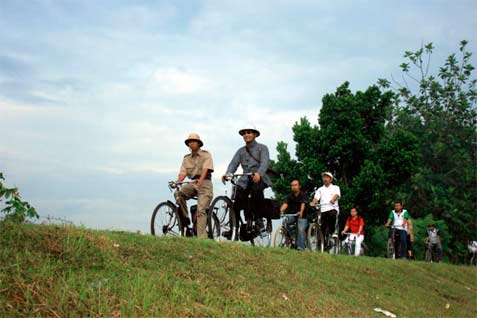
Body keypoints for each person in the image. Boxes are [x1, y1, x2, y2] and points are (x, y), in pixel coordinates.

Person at [222, 125, 272, 232]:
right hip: (245, 179)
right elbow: (233, 164)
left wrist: (259, 174)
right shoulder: (240, 151)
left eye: (249, 132)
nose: (246, 135)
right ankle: (233, 229)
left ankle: (259, 219)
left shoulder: (262, 148)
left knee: (256, 190)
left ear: (254, 135)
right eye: (244, 133)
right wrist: (228, 174)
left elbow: (265, 163)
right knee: (236, 199)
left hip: (260, 177)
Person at [175, 133, 214, 238]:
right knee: (178, 193)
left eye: (193, 141)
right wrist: (177, 182)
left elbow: (206, 169)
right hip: (193, 183)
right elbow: (183, 173)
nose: (191, 144)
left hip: (205, 183)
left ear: (199, 143)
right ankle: (186, 217)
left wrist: (201, 180)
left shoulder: (206, 155)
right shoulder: (186, 158)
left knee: (201, 210)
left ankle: (201, 237)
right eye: (189, 142)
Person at [280, 179, 308, 250]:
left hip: (302, 216)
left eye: (295, 185)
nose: (294, 187)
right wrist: (279, 211)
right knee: (285, 223)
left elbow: (303, 204)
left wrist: (301, 212)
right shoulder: (290, 196)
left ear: (299, 186)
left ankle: (300, 248)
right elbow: (285, 204)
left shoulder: (303, 195)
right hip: (293, 215)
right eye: (292, 185)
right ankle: (289, 239)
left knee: (301, 229)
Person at [311, 172, 341, 238]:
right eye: (324, 177)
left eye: (327, 177)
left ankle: (332, 231)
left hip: (332, 208)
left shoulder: (335, 187)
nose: (325, 179)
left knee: (332, 215)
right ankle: (322, 243)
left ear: (331, 179)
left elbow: (337, 195)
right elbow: (316, 197)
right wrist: (314, 202)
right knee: (322, 226)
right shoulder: (320, 189)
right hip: (323, 209)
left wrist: (333, 200)